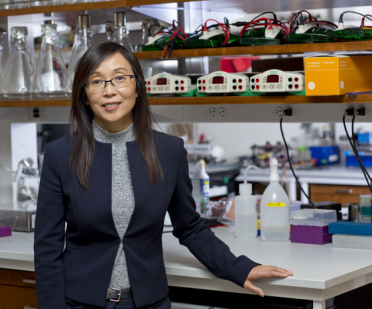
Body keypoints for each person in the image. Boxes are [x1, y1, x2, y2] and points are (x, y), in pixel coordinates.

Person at [34, 42, 293, 309]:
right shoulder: (60, 154)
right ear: (85, 95)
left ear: (137, 85)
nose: (109, 90)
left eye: (120, 78)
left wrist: (239, 268)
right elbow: (47, 248)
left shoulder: (168, 150)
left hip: (149, 302)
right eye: (96, 81)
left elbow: (189, 227)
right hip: (80, 302)